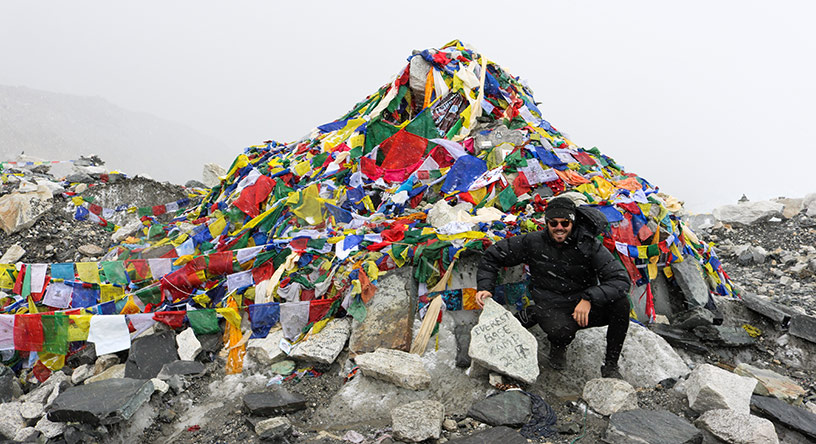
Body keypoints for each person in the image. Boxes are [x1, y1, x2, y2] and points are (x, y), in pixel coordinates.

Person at [475, 197, 631, 378]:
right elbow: (493, 256)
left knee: (621, 304)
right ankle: (555, 341)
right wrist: (485, 287)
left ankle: (611, 366)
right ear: (547, 223)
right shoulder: (532, 242)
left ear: (572, 222)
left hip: (581, 304)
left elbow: (620, 280)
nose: (559, 227)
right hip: (550, 304)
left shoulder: (589, 245)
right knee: (560, 331)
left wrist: (589, 297)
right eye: (553, 223)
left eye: (565, 223)